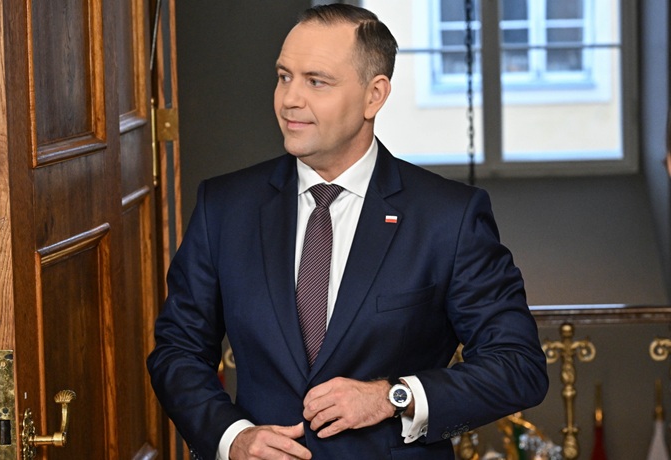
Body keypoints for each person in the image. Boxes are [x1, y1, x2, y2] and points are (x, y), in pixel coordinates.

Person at [147, 4, 548, 459]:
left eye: (316, 81)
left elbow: (518, 366)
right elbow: (177, 351)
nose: (289, 99)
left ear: (374, 95)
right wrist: (232, 437)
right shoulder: (224, 207)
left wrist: (392, 396)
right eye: (284, 76)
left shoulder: (448, 217)